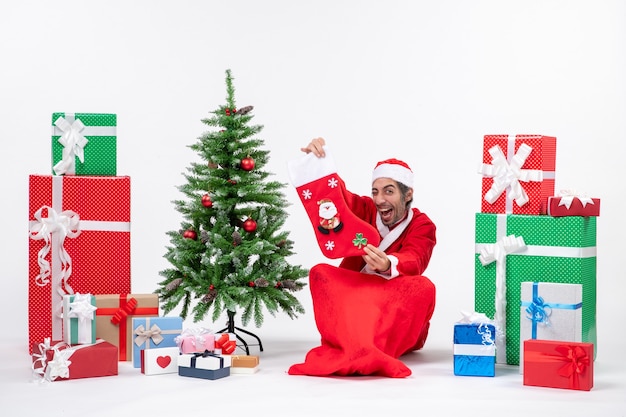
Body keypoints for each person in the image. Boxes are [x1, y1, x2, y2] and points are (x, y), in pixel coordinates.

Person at [287, 137, 437, 378]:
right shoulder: (366, 209)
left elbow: (416, 257)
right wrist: (321, 165)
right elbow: (340, 200)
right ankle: (357, 345)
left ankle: (367, 348)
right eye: (375, 192)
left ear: (408, 194)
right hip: (358, 294)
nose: (379, 200)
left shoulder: (422, 224)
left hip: (391, 301)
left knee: (424, 287)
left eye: (389, 192)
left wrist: (389, 264)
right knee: (320, 272)